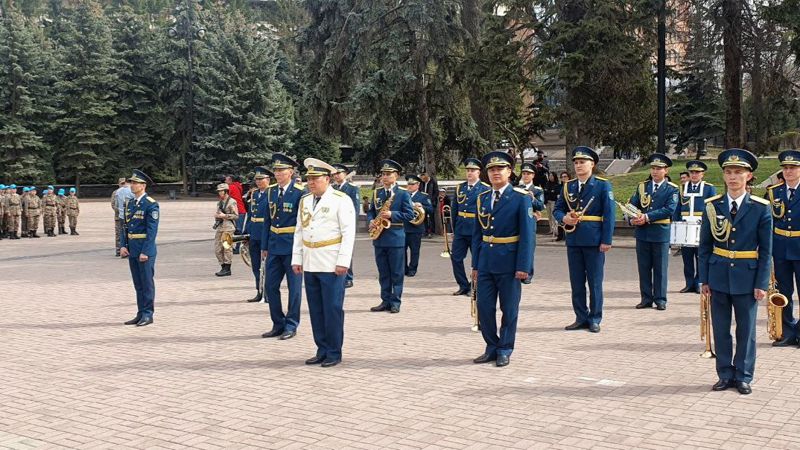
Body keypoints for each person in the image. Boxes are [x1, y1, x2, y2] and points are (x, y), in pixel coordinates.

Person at [699, 148, 772, 395]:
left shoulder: (761, 208)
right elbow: (705, 246)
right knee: (720, 329)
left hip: (747, 277)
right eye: (728, 172)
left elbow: (766, 250)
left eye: (738, 172)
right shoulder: (712, 206)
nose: (733, 177)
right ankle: (725, 374)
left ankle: (743, 376)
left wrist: (761, 282)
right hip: (718, 275)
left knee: (746, 330)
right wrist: (704, 279)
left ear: (748, 176)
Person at [471, 151, 535, 367]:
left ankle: (505, 348)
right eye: (491, 169)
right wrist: (475, 265)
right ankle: (491, 346)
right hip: (487, 262)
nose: (495, 172)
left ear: (510, 172)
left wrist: (524, 266)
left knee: (509, 309)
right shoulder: (481, 198)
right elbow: (477, 234)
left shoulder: (520, 198)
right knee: (484, 308)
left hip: (510, 262)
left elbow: (528, 236)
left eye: (500, 169)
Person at [292, 158, 356, 367]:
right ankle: (321, 348)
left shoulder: (341, 199)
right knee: (316, 309)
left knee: (332, 308)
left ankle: (334, 352)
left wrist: (343, 261)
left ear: (327, 179)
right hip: (310, 262)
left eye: (315, 178)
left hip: (331, 263)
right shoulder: (305, 200)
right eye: (309, 178)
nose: (311, 182)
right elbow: (299, 231)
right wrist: (297, 258)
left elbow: (348, 233)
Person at [553, 146, 615, 333]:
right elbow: (557, 209)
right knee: (577, 281)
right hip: (574, 239)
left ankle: (595, 317)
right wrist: (564, 218)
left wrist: (606, 240)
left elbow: (609, 215)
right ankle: (580, 316)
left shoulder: (603, 185)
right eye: (576, 162)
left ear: (592, 164)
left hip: (595, 240)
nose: (579, 165)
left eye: (583, 162)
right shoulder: (568, 186)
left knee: (595, 281)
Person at [261, 154, 305, 340]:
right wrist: (264, 245)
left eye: (281, 170)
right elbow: (267, 221)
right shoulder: (271, 191)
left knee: (294, 289)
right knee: (270, 287)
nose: (278, 174)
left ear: (291, 172)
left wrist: (302, 248)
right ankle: (277, 323)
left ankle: (291, 324)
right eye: (276, 171)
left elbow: (303, 223)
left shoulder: (300, 192)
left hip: (292, 247)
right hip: (274, 246)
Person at [627, 154, 679, 311]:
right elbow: (632, 205)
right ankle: (646, 298)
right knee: (643, 267)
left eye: (659, 169)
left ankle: (660, 299)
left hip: (660, 233)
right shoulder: (643, 186)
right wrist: (632, 219)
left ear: (666, 170)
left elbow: (669, 209)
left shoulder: (672, 189)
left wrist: (647, 217)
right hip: (642, 233)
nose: (655, 172)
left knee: (660, 268)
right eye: (653, 168)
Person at [368, 159, 415, 313]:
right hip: (379, 238)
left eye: (389, 174)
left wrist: (392, 214)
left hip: (395, 238)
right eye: (383, 174)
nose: (385, 177)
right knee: (383, 272)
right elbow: (371, 212)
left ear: (397, 176)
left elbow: (410, 214)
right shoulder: (377, 192)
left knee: (396, 272)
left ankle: (396, 301)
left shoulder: (402, 194)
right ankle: (385, 300)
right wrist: (371, 221)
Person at [764, 150, 800, 347]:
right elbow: (769, 221)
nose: (788, 171)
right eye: (785, 168)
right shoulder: (774, 192)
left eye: (793, 167)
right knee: (783, 292)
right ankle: (786, 331)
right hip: (780, 249)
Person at [120, 170, 159, 327]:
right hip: (133, 249)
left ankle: (148, 314)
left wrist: (146, 251)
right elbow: (125, 227)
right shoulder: (130, 203)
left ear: (143, 186)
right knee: (138, 283)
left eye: (135, 183)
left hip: (144, 250)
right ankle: (140, 312)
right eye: (132, 182)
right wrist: (123, 245)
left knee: (146, 283)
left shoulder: (151, 204)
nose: (132, 185)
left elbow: (152, 231)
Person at [450, 159, 491, 296]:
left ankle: (476, 286)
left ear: (479, 172)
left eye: (472, 170)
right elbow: (454, 210)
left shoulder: (485, 188)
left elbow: (487, 212)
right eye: (468, 170)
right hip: (461, 229)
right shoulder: (460, 188)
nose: (469, 173)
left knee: (477, 260)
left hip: (476, 229)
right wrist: (454, 230)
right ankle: (463, 285)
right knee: (455, 257)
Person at [677, 161, 716, 293]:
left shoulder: (709, 188)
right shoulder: (682, 188)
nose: (694, 175)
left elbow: (712, 209)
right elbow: (678, 208)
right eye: (692, 172)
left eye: (697, 172)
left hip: (702, 226)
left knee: (701, 256)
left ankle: (699, 282)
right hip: (685, 226)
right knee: (687, 258)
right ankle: (689, 283)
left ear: (702, 174)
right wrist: (677, 225)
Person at [244, 167, 273, 303]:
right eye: (257, 179)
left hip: (265, 232)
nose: (258, 182)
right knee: (256, 264)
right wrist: (246, 232)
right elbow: (250, 215)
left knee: (266, 264)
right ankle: (259, 290)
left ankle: (267, 292)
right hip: (254, 232)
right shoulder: (254, 194)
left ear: (268, 179)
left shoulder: (272, 193)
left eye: (261, 179)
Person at [332, 164, 360, 288]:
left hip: (346, 225)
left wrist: (351, 226)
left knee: (346, 251)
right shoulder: (331, 188)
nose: (336, 175)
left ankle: (348, 277)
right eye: (334, 173)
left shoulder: (352, 188)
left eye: (339, 173)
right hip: (333, 226)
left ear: (345, 174)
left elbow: (355, 209)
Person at [517, 162, 545, 284]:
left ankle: (528, 273)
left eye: (528, 173)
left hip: (529, 220)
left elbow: (541, 206)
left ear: (533, 175)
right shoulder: (516, 188)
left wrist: (532, 198)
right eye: (524, 173)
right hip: (516, 220)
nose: (526, 175)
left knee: (528, 246)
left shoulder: (537, 190)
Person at [403, 175, 433, 277]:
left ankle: (412, 269)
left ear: (418, 185)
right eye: (409, 184)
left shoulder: (423, 196)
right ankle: (404, 269)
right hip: (403, 226)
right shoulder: (403, 195)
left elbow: (431, 210)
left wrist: (422, 206)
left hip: (416, 228)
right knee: (402, 250)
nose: (410, 186)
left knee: (414, 250)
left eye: (412, 184)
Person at [213, 183, 239, 277]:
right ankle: (222, 265)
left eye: (221, 191)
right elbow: (218, 213)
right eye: (219, 191)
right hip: (220, 227)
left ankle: (227, 268)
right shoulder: (219, 202)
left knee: (227, 247)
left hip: (228, 227)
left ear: (226, 191)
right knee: (217, 249)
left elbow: (236, 216)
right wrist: (217, 216)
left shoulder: (232, 202)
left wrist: (225, 216)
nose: (220, 193)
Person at [225, 175, 246, 255]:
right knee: (238, 230)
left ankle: (236, 248)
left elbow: (224, 196)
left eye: (226, 180)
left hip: (237, 211)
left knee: (236, 230)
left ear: (230, 180)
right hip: (240, 210)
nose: (225, 181)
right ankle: (237, 247)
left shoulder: (231, 187)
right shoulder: (238, 186)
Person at [114, 179, 135, 256]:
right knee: (131, 232)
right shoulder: (131, 191)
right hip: (130, 215)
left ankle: (121, 250)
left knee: (122, 232)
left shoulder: (118, 191)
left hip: (121, 215)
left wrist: (119, 212)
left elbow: (115, 205)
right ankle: (129, 250)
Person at [420, 171, 440, 238]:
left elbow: (436, 192)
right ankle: (425, 232)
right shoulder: (422, 183)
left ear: (426, 177)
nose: (422, 180)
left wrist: (431, 200)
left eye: (423, 179)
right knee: (424, 217)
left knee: (431, 218)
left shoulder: (433, 182)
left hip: (431, 203)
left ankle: (431, 232)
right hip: (423, 203)